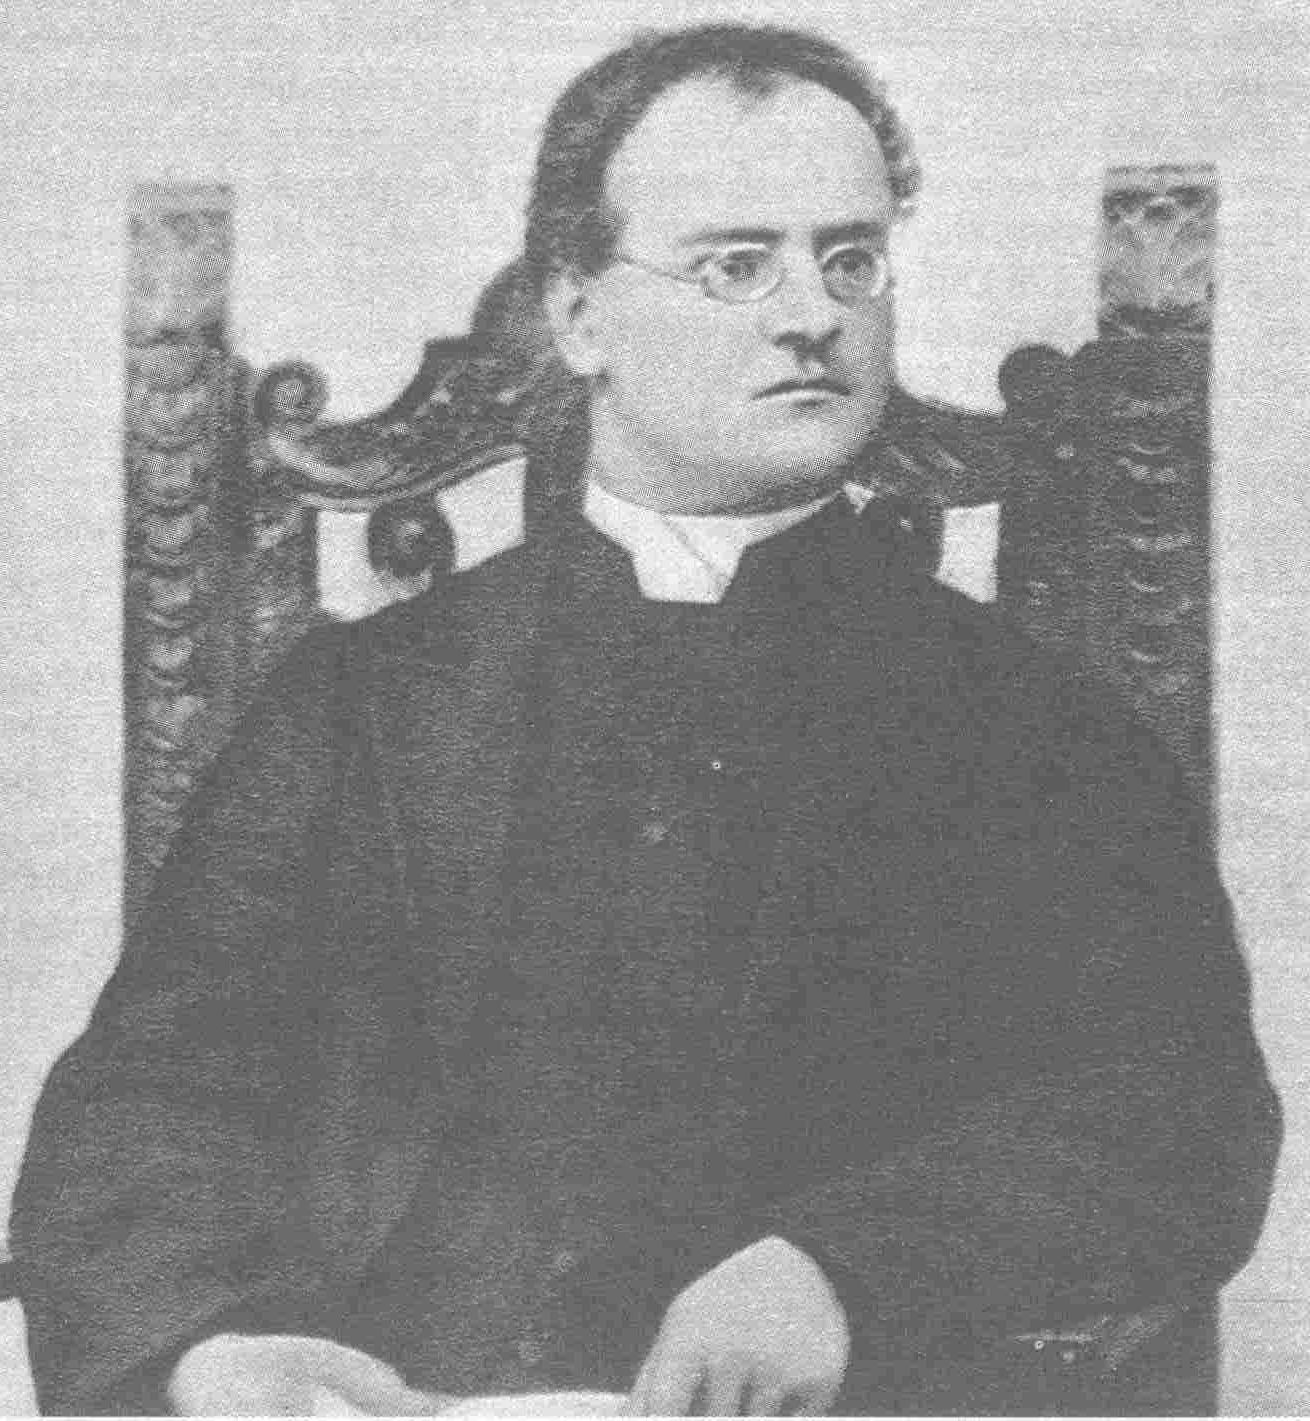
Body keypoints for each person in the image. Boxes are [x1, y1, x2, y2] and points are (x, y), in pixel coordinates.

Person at [11, 22, 1280, 1417]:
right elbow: (149, 1099)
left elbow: (1175, 1110)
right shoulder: (363, 703)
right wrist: (208, 1348)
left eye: (849, 260)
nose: (811, 314)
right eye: (735, 264)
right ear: (579, 316)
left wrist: (844, 1267)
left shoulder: (1031, 724)